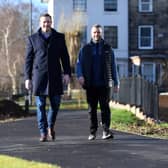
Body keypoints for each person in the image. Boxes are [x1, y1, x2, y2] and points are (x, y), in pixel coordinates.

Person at [24, 13, 71, 142]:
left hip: (56, 76)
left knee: (55, 105)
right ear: (40, 23)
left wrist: (67, 73)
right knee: (40, 106)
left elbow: (65, 57)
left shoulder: (59, 37)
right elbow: (28, 60)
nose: (46, 24)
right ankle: (43, 132)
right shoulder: (32, 39)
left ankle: (50, 125)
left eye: (48, 22)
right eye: (44, 22)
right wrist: (27, 78)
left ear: (51, 22)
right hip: (39, 78)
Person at [76, 24, 119, 140]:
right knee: (92, 109)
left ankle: (106, 131)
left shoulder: (108, 48)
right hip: (90, 84)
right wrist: (80, 76)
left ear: (101, 33)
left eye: (98, 32)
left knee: (105, 108)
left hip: (104, 84)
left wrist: (116, 82)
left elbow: (113, 65)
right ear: (91, 34)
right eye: (94, 32)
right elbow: (79, 64)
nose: (96, 34)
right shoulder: (85, 49)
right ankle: (93, 131)